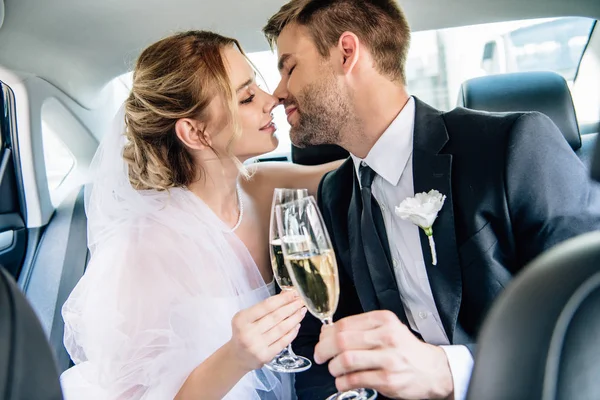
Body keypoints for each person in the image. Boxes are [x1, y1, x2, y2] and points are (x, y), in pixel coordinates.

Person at [263, 1, 600, 399]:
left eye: (289, 68)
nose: (278, 92)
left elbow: (589, 317)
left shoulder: (512, 147)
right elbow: (322, 346)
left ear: (346, 53)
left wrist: (450, 372)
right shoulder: (336, 198)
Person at [60, 30, 342, 400]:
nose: (271, 99)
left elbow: (358, 170)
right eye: (246, 97)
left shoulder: (265, 188)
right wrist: (235, 358)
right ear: (194, 132)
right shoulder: (145, 249)